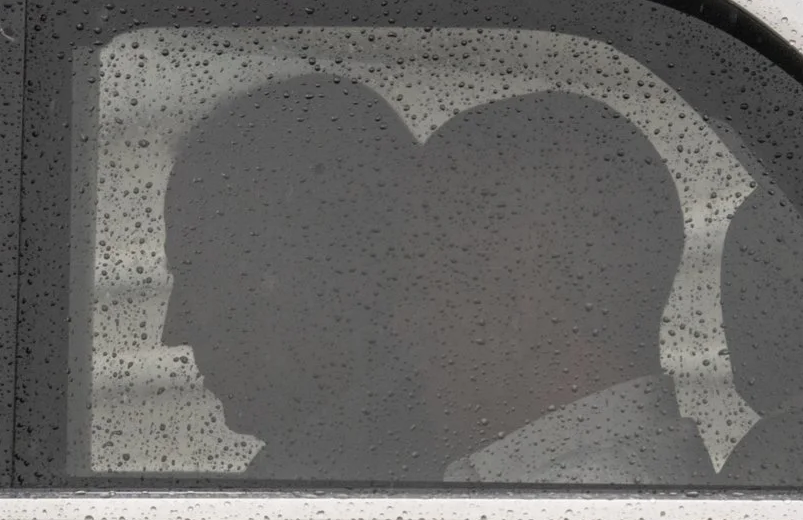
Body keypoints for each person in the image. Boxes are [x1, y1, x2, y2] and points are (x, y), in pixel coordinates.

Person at [412, 90, 713, 485]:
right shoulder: (633, 483)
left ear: (519, 303)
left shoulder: (561, 518)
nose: (404, 323)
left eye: (422, 285)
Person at [160, 73, 443, 482]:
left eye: (205, 280)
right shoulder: (442, 461)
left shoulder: (335, 488)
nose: (175, 331)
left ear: (337, 272)